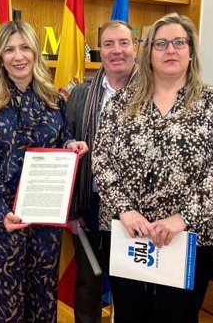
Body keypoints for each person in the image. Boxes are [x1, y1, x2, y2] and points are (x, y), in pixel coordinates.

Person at [92, 12, 213, 323]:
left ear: (191, 51)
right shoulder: (121, 102)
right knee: (131, 315)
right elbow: (101, 160)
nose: (170, 50)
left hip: (191, 236)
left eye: (178, 42)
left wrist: (181, 219)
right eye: (161, 43)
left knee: (177, 316)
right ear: (148, 53)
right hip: (127, 232)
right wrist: (124, 210)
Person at [0, 20, 88, 322]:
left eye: (24, 47)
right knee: (5, 306)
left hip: (44, 218)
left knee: (43, 300)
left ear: (35, 52)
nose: (18, 56)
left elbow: (62, 137)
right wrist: (2, 214)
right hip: (4, 222)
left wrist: (72, 145)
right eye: (9, 49)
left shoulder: (53, 100)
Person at [66, 20, 138, 323]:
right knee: (88, 280)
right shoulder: (80, 95)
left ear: (135, 47)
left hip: (137, 209)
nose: (116, 50)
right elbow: (64, 143)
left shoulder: (154, 92)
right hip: (89, 203)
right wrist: (70, 210)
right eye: (108, 44)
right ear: (99, 51)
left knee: (133, 285)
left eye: (123, 42)